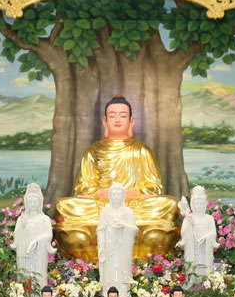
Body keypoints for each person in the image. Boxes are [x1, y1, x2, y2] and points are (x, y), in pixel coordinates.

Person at [54, 96, 178, 259]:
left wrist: (129, 195)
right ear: (105, 121)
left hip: (134, 205)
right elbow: (83, 188)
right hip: (101, 205)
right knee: (65, 206)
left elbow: (153, 188)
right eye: (112, 116)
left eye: (123, 115)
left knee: (168, 204)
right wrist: (101, 194)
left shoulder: (141, 150)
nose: (117, 120)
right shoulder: (94, 150)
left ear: (131, 121)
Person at [96, 183, 138, 297]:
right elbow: (100, 229)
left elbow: (135, 229)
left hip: (123, 248)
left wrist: (124, 225)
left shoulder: (128, 211)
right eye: (113, 194)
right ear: (109, 196)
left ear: (123, 195)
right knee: (110, 269)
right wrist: (101, 247)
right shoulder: (105, 211)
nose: (116, 197)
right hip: (109, 247)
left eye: (118, 194)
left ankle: (123, 293)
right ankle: (108, 294)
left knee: (122, 269)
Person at [11, 183, 57, 285]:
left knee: (38, 276)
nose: (32, 204)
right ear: (26, 203)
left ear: (39, 203)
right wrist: (22, 227)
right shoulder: (21, 219)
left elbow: (49, 235)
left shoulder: (44, 219)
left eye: (34, 202)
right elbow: (16, 237)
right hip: (24, 253)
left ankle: (40, 292)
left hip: (39, 254)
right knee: (24, 276)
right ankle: (23, 293)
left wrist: (37, 241)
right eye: (30, 202)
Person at [177, 185, 218, 274]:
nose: (199, 206)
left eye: (201, 203)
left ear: (205, 204)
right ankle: (191, 279)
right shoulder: (188, 219)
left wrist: (206, 238)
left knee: (205, 270)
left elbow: (213, 233)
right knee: (192, 269)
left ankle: (207, 280)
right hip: (192, 248)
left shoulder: (209, 218)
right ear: (192, 204)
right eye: (197, 203)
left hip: (205, 249)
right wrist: (188, 233)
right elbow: (184, 232)